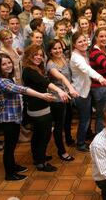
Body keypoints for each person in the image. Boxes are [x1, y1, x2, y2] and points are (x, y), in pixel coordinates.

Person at [0, 53, 55, 181]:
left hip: (14, 118)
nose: (8, 66)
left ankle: (13, 166)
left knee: (12, 144)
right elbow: (22, 89)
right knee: (9, 147)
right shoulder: (1, 82)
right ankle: (9, 174)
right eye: (4, 64)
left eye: (9, 63)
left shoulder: (7, 78)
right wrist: (42, 95)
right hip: (8, 119)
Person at [22, 44, 70, 172]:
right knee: (44, 135)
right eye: (35, 55)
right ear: (28, 57)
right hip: (38, 108)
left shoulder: (36, 68)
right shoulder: (29, 70)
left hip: (39, 106)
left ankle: (38, 157)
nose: (38, 57)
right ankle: (41, 163)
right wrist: (60, 91)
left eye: (40, 55)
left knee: (38, 134)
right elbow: (45, 83)